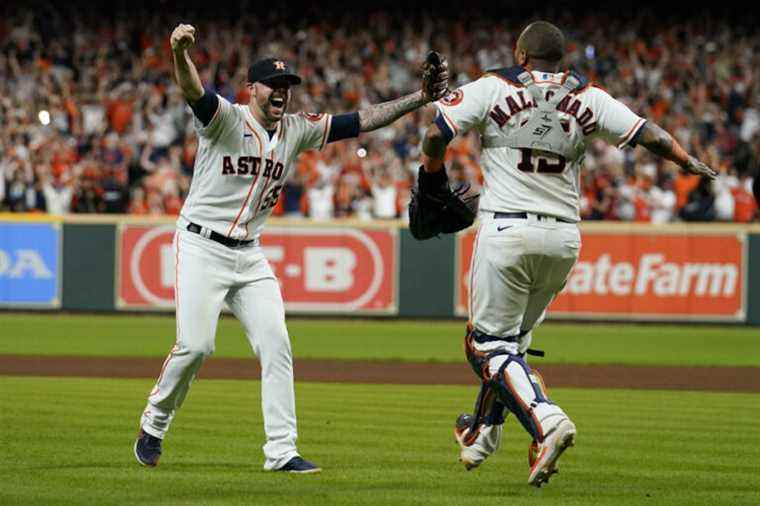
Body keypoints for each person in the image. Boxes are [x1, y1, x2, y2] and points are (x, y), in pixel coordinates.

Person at [134, 23, 448, 473]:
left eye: (288, 85)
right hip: (201, 244)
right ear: (252, 90)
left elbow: (362, 120)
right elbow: (192, 90)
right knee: (196, 346)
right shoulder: (226, 118)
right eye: (273, 85)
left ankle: (281, 452)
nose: (282, 92)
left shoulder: (297, 130)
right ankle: (155, 421)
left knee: (277, 344)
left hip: (249, 253)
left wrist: (419, 99)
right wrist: (180, 53)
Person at [419, 20, 716, 486]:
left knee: (485, 345)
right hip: (563, 239)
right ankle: (482, 433)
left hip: (507, 229)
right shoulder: (589, 96)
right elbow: (648, 133)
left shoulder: (494, 86)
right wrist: (686, 160)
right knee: (510, 343)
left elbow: (436, 133)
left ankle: (547, 420)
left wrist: (432, 177)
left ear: (521, 54)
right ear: (561, 59)